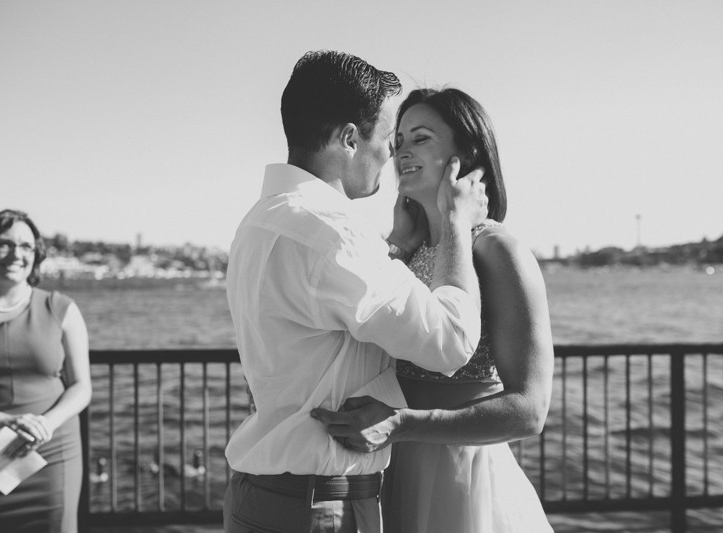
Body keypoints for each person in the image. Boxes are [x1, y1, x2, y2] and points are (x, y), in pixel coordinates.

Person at [222, 51, 489, 533]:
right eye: (388, 138)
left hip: (255, 497)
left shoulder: (259, 222)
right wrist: (454, 223)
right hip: (319, 506)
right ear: (349, 138)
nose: (392, 155)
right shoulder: (334, 230)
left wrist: (398, 245)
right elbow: (450, 342)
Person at [312, 88, 555, 532]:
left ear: (466, 154)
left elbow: (530, 409)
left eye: (420, 138)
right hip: (385, 469)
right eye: (399, 139)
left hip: (459, 483)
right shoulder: (406, 249)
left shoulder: (498, 250)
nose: (401, 150)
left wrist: (403, 424)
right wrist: (399, 245)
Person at [0, 209, 92, 533]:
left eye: (27, 247)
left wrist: (46, 424)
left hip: (52, 452)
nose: (17, 254)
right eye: (5, 244)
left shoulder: (61, 308)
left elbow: (81, 386)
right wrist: (1, 420)